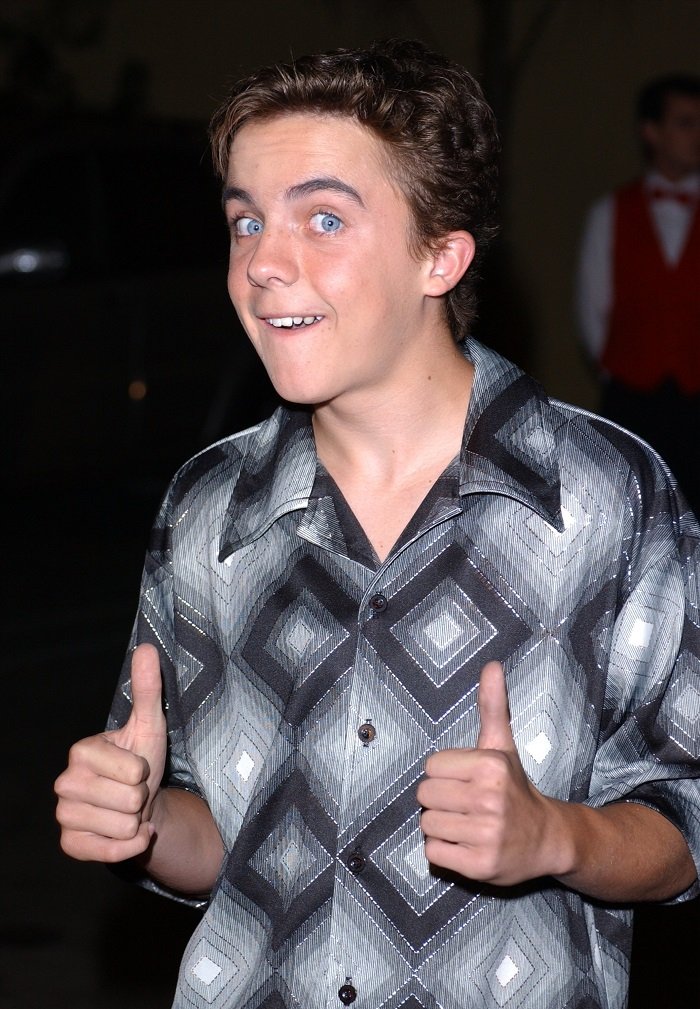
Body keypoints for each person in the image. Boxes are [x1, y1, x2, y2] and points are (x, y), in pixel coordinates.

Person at [55, 40, 700, 1009]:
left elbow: (686, 820)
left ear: (440, 254)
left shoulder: (607, 494)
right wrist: (142, 822)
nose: (264, 264)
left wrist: (555, 835)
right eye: (244, 221)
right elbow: (220, 842)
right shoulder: (208, 506)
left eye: (323, 218)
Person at [576, 73, 700, 512]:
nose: (696, 134)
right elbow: (592, 308)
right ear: (651, 132)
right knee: (631, 511)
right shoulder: (610, 212)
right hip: (633, 400)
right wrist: (618, 372)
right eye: (685, 123)